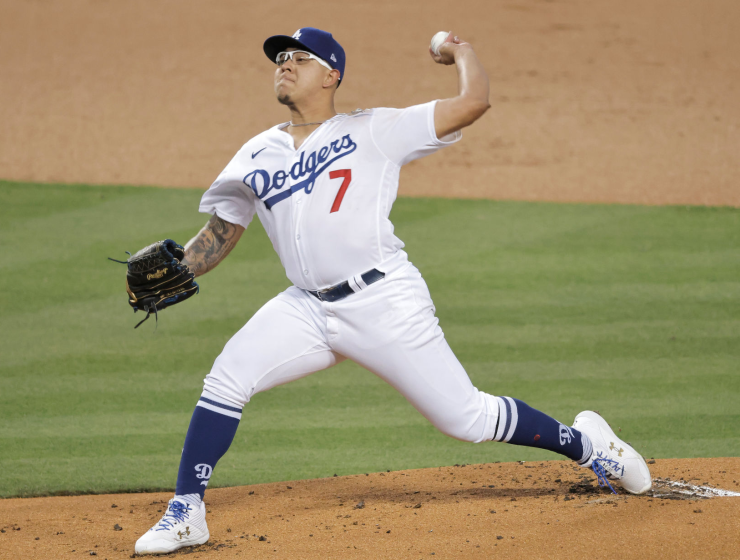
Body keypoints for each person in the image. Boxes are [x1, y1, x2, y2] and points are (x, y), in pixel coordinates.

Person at [134, 27, 651, 555]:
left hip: (384, 301)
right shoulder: (255, 153)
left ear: (332, 73)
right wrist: (180, 267)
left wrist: (461, 51)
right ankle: (186, 511)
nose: (285, 64)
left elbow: (474, 103)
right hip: (306, 307)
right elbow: (222, 233)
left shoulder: (374, 129)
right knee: (226, 377)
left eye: (299, 58)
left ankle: (590, 446)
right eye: (280, 58)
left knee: (466, 418)